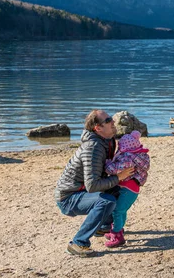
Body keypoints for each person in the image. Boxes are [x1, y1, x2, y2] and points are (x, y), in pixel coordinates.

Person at [55, 110, 134, 257]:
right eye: (108, 120)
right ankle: (78, 243)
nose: (113, 121)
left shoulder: (108, 140)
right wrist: (118, 177)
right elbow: (92, 185)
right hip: (69, 197)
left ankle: (102, 227)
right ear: (98, 128)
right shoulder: (93, 147)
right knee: (106, 202)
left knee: (121, 190)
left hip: (83, 191)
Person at [103, 130, 150, 248]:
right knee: (121, 210)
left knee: (117, 211)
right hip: (132, 188)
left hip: (128, 188)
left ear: (125, 147)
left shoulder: (128, 158)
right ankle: (118, 229)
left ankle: (117, 235)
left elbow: (114, 169)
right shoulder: (139, 155)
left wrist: (107, 163)